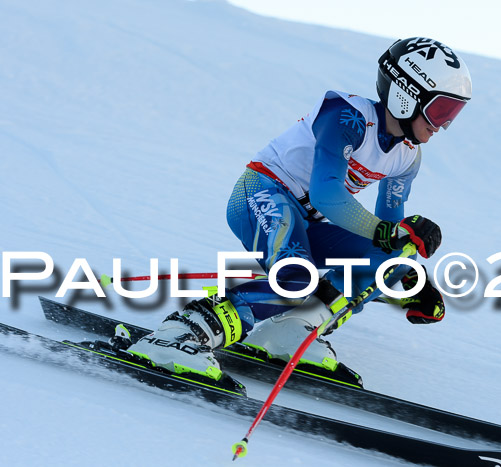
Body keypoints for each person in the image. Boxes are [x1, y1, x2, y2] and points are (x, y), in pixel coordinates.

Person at [126, 37, 473, 382]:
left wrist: (405, 274)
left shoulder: (408, 156)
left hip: (311, 222)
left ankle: (293, 331)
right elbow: (327, 195)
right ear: (405, 94)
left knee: (396, 258)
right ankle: (179, 335)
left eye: (452, 115)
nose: (441, 124)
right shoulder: (346, 117)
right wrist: (387, 233)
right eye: (440, 110)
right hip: (262, 193)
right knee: (295, 278)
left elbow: (387, 232)